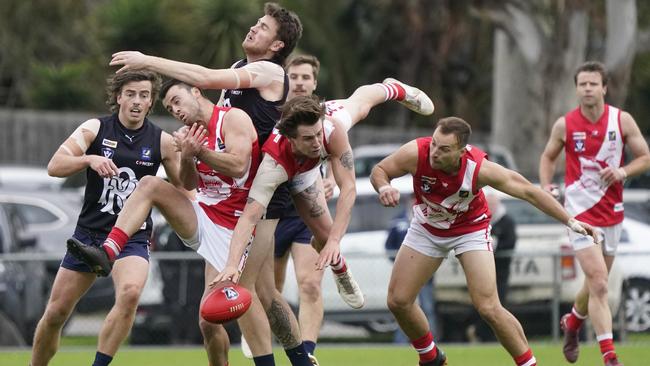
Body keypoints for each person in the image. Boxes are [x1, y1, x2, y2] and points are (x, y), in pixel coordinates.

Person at [107, 4, 313, 365]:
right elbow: (215, 127)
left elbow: (202, 78)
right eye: (255, 22)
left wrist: (147, 60)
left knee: (243, 292)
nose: (252, 28)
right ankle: (301, 358)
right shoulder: (238, 69)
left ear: (277, 46)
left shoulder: (268, 71)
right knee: (259, 294)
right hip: (231, 198)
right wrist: (193, 155)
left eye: (262, 27)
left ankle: (291, 355)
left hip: (263, 192)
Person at [370, 117, 600, 366]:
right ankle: (432, 358)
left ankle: (528, 364)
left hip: (470, 229)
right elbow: (380, 170)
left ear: (461, 151)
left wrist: (571, 221)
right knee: (398, 301)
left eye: (444, 149)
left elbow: (529, 192)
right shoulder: (417, 152)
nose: (435, 153)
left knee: (488, 306)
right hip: (427, 228)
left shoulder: (479, 168)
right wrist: (383, 187)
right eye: (434, 144)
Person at [68, 79, 260, 366]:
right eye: (170, 108)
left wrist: (199, 152)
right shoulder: (187, 134)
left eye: (177, 101)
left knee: (208, 320)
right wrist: (187, 156)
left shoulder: (232, 118)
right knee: (149, 184)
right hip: (202, 214)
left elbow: (239, 165)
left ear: (196, 92)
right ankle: (108, 251)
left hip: (233, 229)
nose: (176, 110)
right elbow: (188, 183)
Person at [211, 80, 434, 305]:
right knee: (324, 237)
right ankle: (341, 268)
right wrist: (231, 264)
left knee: (362, 105)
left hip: (318, 145)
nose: (318, 143)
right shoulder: (273, 166)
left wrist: (336, 241)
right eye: (309, 138)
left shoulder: (331, 129)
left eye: (318, 134)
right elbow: (249, 216)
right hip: (297, 173)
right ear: (291, 138)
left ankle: (396, 88)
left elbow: (348, 189)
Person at [30, 70, 181, 366]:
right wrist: (88, 158)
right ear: (118, 97)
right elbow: (55, 166)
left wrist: (186, 156)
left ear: (151, 102)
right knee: (56, 313)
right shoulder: (95, 128)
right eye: (131, 94)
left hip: (132, 238)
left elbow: (185, 188)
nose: (137, 101)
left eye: (144, 95)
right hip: (89, 236)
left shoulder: (162, 141)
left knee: (130, 293)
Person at [539, 61, 650, 366]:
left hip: (612, 212)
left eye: (593, 83)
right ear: (577, 89)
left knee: (593, 285)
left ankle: (573, 324)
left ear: (604, 88)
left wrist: (622, 171)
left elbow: (645, 157)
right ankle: (610, 357)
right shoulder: (565, 124)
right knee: (599, 282)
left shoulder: (621, 121)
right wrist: (547, 185)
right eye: (582, 84)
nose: (587, 88)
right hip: (578, 212)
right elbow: (548, 157)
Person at [271, 55, 332, 362]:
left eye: (305, 77)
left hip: (304, 213)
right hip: (273, 210)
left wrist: (331, 180)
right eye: (293, 76)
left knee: (309, 283)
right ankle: (264, 338)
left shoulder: (326, 117)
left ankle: (307, 352)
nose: (298, 82)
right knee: (271, 290)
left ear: (314, 83)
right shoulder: (272, 111)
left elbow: (335, 152)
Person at [384, 194, 436, 344]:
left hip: (426, 274)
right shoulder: (398, 221)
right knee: (403, 307)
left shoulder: (432, 218)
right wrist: (399, 262)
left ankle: (432, 342)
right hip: (405, 275)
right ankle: (401, 342)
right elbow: (389, 246)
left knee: (428, 308)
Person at [467, 191, 517, 342]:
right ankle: (481, 334)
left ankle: (499, 338)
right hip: (482, 270)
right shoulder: (479, 218)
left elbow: (510, 242)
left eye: (493, 204)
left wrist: (495, 246)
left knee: (496, 306)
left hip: (500, 272)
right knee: (483, 306)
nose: (491, 208)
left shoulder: (506, 221)